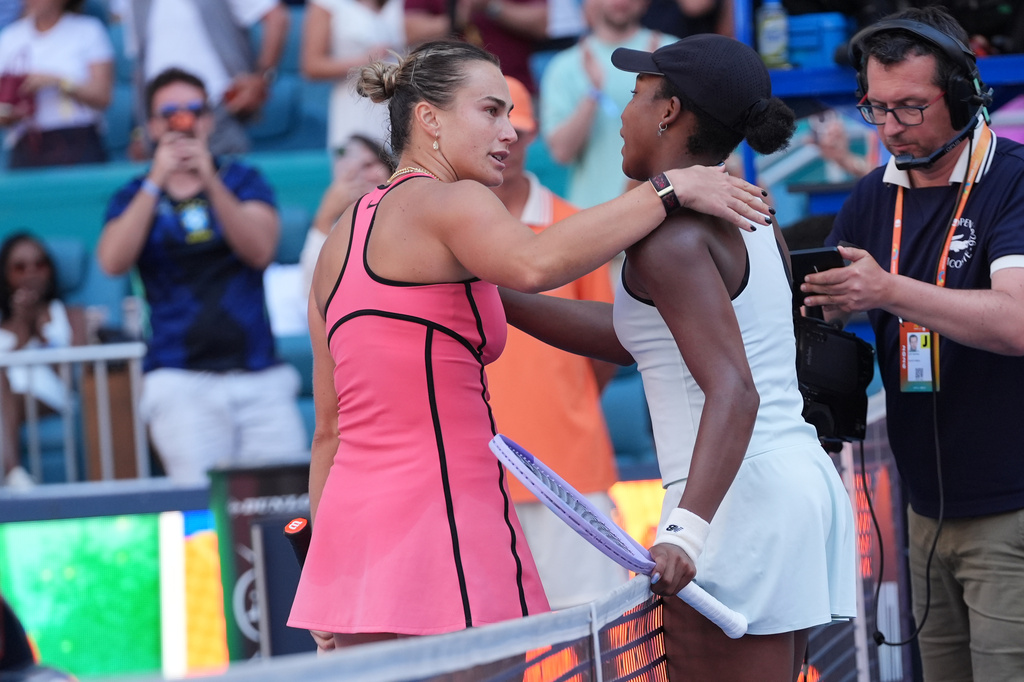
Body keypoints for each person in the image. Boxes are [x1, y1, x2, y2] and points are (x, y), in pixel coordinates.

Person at [286, 39, 773, 650]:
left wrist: (323, 569)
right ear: (428, 118)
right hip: (444, 531)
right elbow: (536, 263)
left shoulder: (341, 234)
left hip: (352, 546)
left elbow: (329, 431)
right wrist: (669, 190)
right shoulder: (453, 202)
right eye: (490, 111)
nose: (511, 130)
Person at [501, 34, 857, 680]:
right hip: (784, 485)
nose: (622, 114)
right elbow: (645, 338)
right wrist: (499, 302)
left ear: (669, 112)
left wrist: (685, 532)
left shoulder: (670, 239)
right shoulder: (750, 209)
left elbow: (733, 389)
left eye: (637, 97)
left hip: (733, 500)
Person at [802, 7, 1024, 681]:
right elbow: (827, 313)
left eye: (910, 108)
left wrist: (889, 291)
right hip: (922, 509)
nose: (891, 128)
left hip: (1011, 511)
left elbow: (1017, 321)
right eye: (876, 108)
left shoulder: (1012, 180)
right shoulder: (872, 198)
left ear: (961, 95)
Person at [96, 68, 307, 485]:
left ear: (209, 119)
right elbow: (113, 261)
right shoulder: (134, 193)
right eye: (169, 114)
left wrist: (207, 177)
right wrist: (157, 178)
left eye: (193, 111)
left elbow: (260, 250)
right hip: (179, 381)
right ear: (153, 125)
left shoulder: (242, 179)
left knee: (287, 509)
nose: (182, 123)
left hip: (258, 374)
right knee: (203, 516)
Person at [485, 75, 628, 609]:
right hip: (474, 475)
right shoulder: (442, 233)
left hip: (568, 464)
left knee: (598, 634)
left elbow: (607, 344)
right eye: (496, 125)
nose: (507, 142)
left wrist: (565, 401)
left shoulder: (574, 226)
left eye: (518, 131)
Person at [539, 0, 676, 208]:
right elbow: (561, 153)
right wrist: (593, 93)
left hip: (664, 211)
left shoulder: (674, 53)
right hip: (592, 213)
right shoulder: (564, 66)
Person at [113, 0, 289, 156]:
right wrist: (140, 131)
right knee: (169, 188)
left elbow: (277, 18)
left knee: (229, 181)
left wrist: (261, 77)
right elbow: (142, 62)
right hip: (162, 118)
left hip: (220, 108)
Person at [0, 232, 86, 489]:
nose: (31, 273)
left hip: (53, 396)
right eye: (19, 267)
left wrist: (38, 330)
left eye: (40, 264)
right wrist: (22, 325)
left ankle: (13, 473)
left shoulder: (71, 316)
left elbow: (77, 377)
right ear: (5, 275)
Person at [0, 0, 113, 168]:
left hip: (79, 141)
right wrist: (12, 111)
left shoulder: (88, 30)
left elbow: (103, 96)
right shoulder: (9, 37)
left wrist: (57, 82)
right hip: (27, 145)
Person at [299, 0, 405, 154]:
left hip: (398, 102)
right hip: (355, 104)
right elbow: (312, 66)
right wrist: (364, 60)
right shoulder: (325, 4)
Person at [403, 0, 548, 93]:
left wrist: (492, 5)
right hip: (448, 91)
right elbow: (410, 31)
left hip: (514, 89)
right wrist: (455, 19)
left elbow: (542, 24)